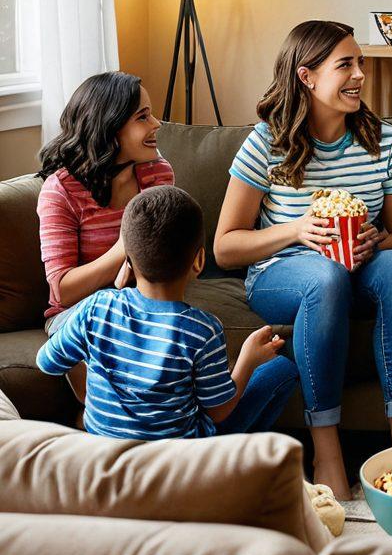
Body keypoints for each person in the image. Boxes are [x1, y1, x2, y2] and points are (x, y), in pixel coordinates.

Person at [214, 20, 392, 499]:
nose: (359, 76)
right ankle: (326, 448)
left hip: (363, 264)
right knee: (325, 278)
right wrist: (297, 230)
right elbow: (225, 245)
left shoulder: (386, 141)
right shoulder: (266, 142)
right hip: (282, 272)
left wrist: (375, 242)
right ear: (306, 76)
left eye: (361, 64)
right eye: (345, 65)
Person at [37, 186, 299, 438]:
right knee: (282, 369)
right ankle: (225, 469)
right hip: (175, 462)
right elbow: (219, 411)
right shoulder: (202, 330)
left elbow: (48, 362)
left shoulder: (96, 308)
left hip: (106, 452)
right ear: (199, 261)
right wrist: (247, 360)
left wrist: (91, 398)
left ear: (126, 261)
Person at [36, 72, 174, 403]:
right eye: (143, 116)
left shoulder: (157, 174)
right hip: (76, 316)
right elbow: (63, 290)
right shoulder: (61, 191)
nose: (156, 124)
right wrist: (124, 248)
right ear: (109, 128)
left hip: (144, 302)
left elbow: (163, 262)